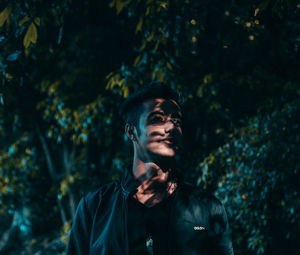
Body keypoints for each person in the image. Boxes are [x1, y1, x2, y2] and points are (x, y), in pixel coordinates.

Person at [66, 83, 234, 255]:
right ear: (131, 132)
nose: (171, 127)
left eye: (176, 121)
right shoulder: (94, 206)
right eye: (157, 119)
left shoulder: (208, 208)